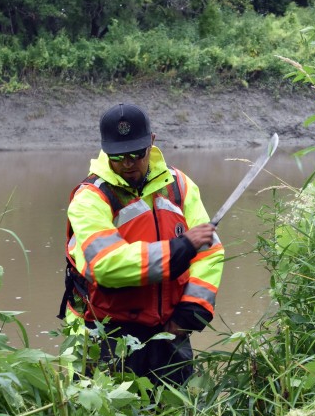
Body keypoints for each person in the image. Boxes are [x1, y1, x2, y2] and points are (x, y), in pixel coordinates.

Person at [62, 102, 224, 384]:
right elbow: (105, 265)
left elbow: (209, 252)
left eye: (137, 154)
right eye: (119, 156)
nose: (128, 164)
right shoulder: (89, 198)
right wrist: (178, 249)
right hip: (108, 335)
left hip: (171, 329)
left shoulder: (179, 186)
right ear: (104, 150)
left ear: (152, 142)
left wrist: (192, 309)